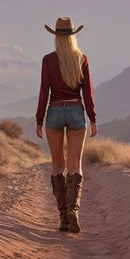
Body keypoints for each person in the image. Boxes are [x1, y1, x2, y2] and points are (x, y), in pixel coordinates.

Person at [35, 17, 97, 233]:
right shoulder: (82, 58)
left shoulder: (48, 60)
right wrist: (93, 118)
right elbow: (87, 93)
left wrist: (39, 120)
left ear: (56, 36)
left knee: (57, 166)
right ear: (73, 36)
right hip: (76, 111)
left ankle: (63, 218)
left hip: (54, 112)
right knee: (75, 165)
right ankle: (74, 210)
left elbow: (44, 91)